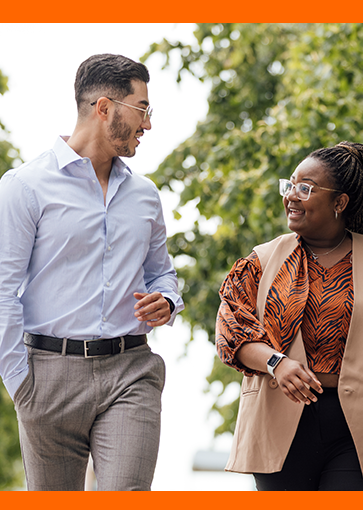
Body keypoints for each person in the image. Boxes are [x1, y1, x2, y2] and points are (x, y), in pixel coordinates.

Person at [216, 141, 363, 490]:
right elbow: (231, 329)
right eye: (290, 185)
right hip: (281, 423)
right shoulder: (262, 261)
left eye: (305, 188)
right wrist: (276, 364)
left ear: (339, 203)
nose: (291, 196)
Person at [0, 54, 184, 491]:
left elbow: (163, 275)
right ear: (105, 108)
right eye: (142, 109)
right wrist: (20, 384)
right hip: (48, 376)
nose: (148, 124)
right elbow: (3, 290)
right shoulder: (25, 187)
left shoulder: (145, 195)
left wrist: (167, 300)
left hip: (130, 371)